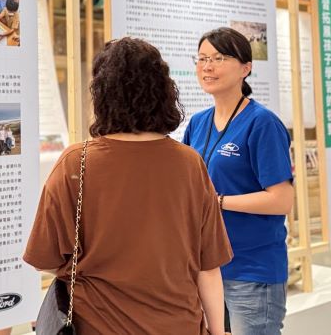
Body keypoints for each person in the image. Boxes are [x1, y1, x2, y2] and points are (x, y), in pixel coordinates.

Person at [24, 37, 230, 334]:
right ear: (164, 92)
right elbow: (208, 267)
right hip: (178, 324)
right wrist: (218, 331)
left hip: (97, 326)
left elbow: (43, 259)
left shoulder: (76, 163)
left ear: (102, 94)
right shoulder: (190, 164)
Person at [182, 27, 294, 335]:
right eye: (202, 58)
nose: (207, 66)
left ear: (246, 68)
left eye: (218, 58)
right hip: (207, 268)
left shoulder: (262, 123)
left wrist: (217, 202)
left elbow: (282, 200)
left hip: (252, 270)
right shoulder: (197, 123)